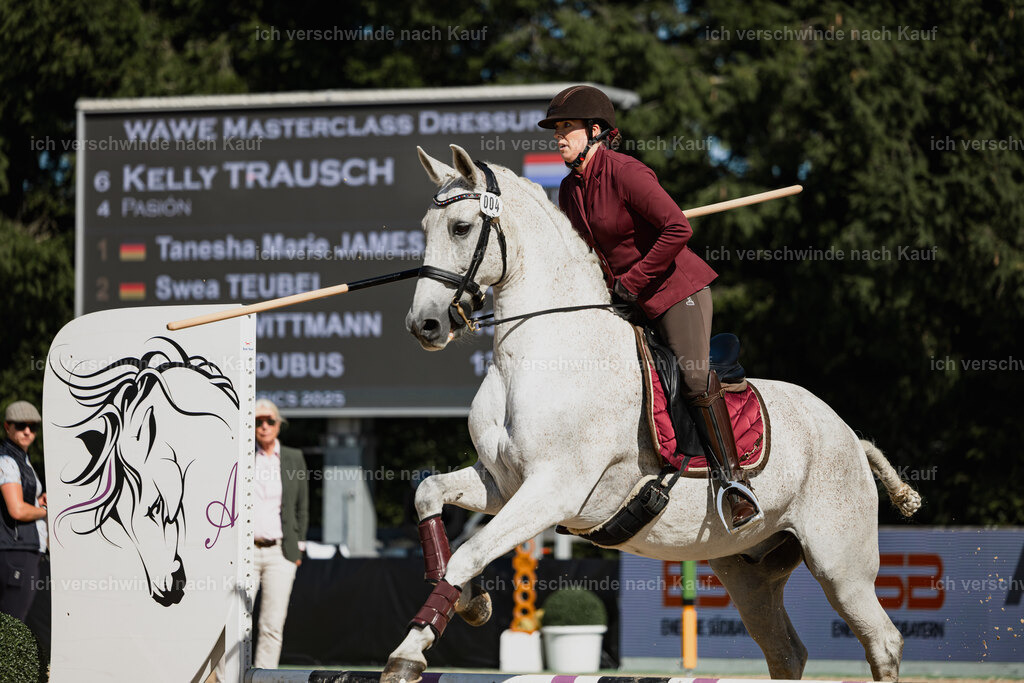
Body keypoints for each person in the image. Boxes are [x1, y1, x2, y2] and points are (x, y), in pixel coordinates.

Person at [539, 85, 761, 530]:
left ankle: (734, 484)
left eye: (568, 128)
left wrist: (634, 282)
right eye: (556, 129)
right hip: (627, 299)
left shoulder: (626, 171)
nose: (559, 137)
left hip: (676, 293)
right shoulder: (567, 191)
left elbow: (677, 228)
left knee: (695, 374)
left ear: (596, 131)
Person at [250, 398, 308, 669]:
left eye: (269, 421)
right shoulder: (242, 455)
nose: (264, 427)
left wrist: (298, 549)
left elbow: (301, 507)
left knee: (271, 624)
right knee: (236, 622)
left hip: (280, 552)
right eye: (258, 421)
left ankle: (263, 677)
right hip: (244, 552)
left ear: (278, 424)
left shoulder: (293, 457)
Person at [0, 400, 48, 621]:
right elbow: (17, 510)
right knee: (13, 625)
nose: (28, 431)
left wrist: (38, 502)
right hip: (16, 552)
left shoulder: (21, 459)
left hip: (22, 551)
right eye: (21, 426)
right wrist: (47, 510)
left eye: (33, 426)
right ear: (7, 426)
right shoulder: (8, 460)